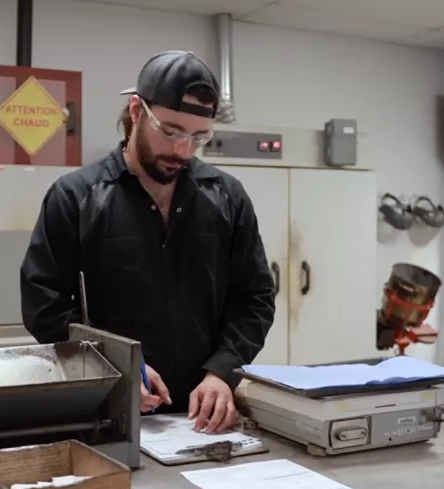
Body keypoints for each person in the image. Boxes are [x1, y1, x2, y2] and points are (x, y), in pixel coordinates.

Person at [20, 50, 276, 434]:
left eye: (198, 136)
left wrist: (222, 371)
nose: (183, 150)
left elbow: (254, 297)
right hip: (109, 409)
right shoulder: (76, 197)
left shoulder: (227, 197)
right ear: (137, 111)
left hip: (205, 415)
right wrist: (117, 365)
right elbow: (45, 305)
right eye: (171, 131)